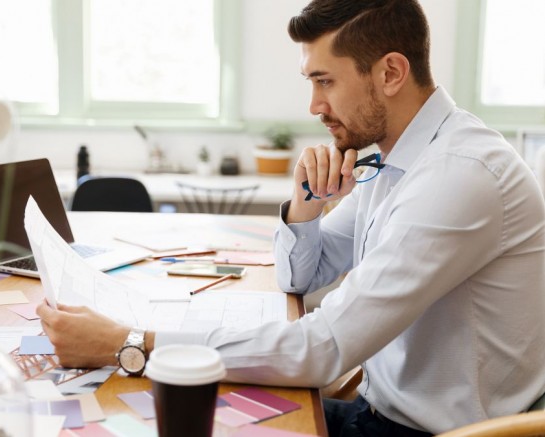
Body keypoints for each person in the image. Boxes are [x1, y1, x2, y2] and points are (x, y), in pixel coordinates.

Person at [37, 0, 545, 434]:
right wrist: (306, 205)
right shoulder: (399, 157)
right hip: (377, 409)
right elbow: (300, 275)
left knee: (172, 415)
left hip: (419, 430)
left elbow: (323, 349)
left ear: (390, 72)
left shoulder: (458, 176)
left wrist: (126, 344)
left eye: (325, 81)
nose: (313, 105)